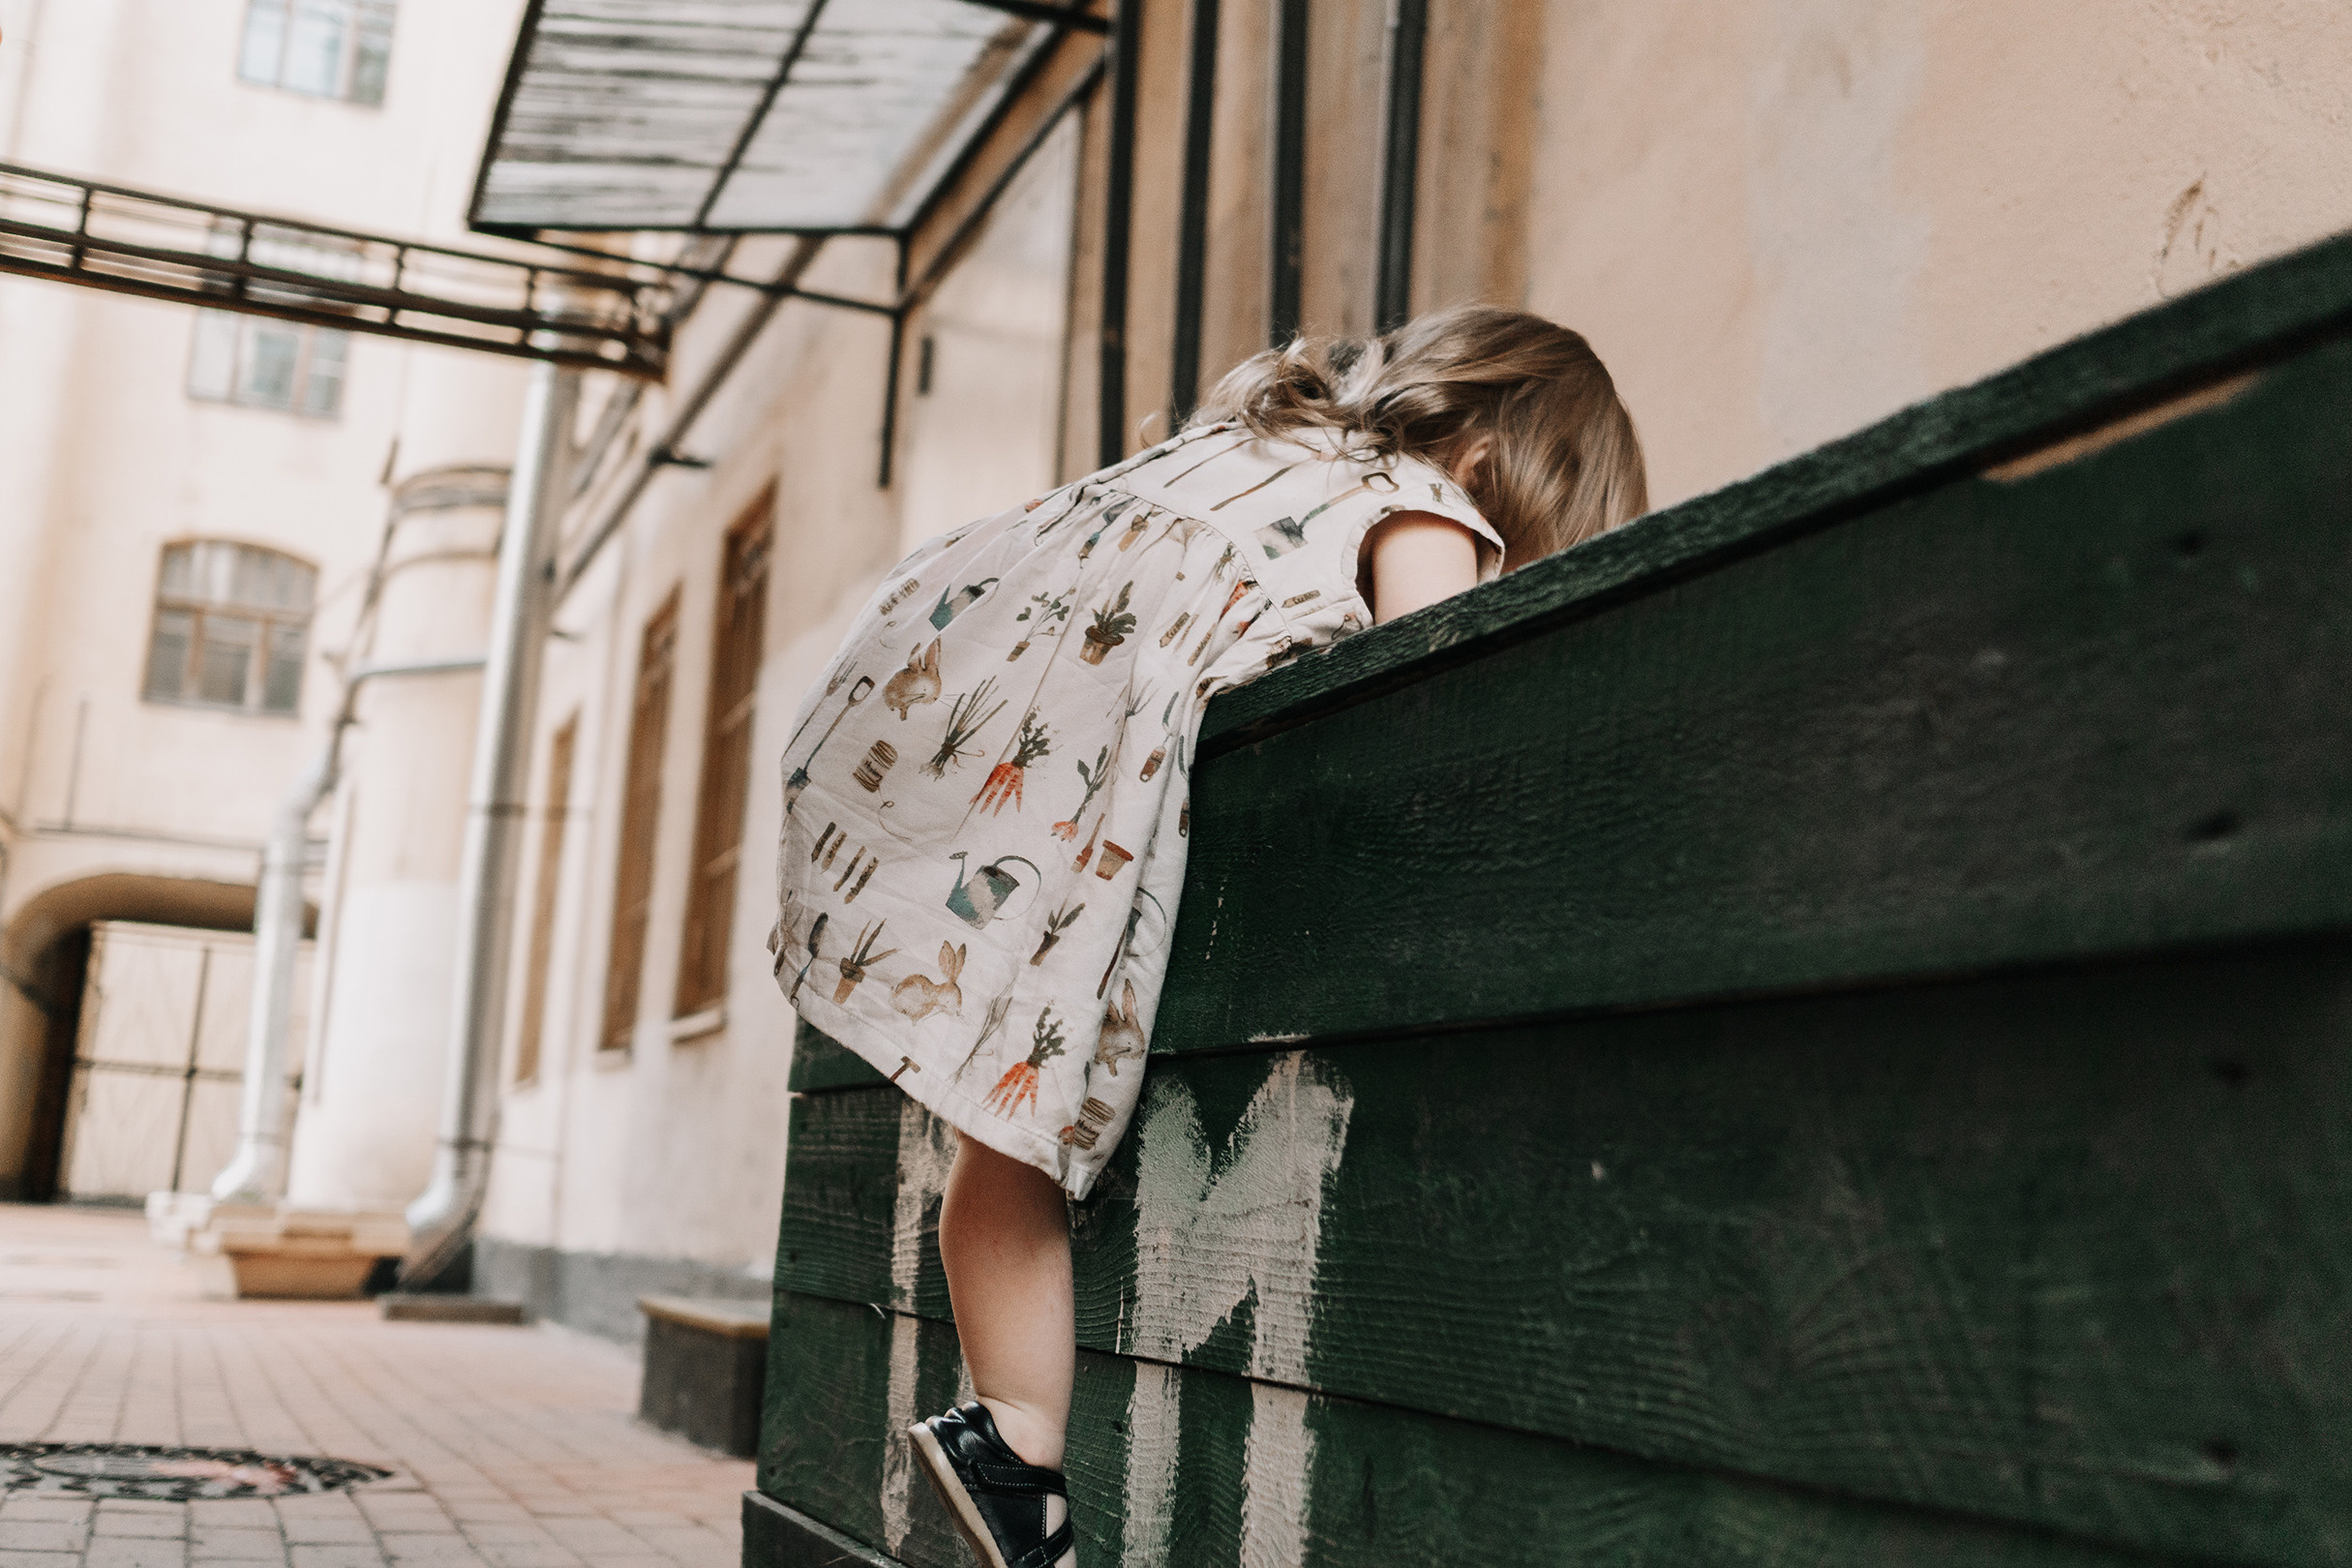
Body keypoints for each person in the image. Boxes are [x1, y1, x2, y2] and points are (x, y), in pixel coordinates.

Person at [769, 305, 1647, 1568]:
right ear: (1501, 464)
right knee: (1037, 1101)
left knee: (1003, 1117)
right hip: (1051, 782)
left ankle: (1009, 1432)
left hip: (923, 715)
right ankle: (1013, 1426)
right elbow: (1441, 687)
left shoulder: (1248, 449)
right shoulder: (1420, 508)